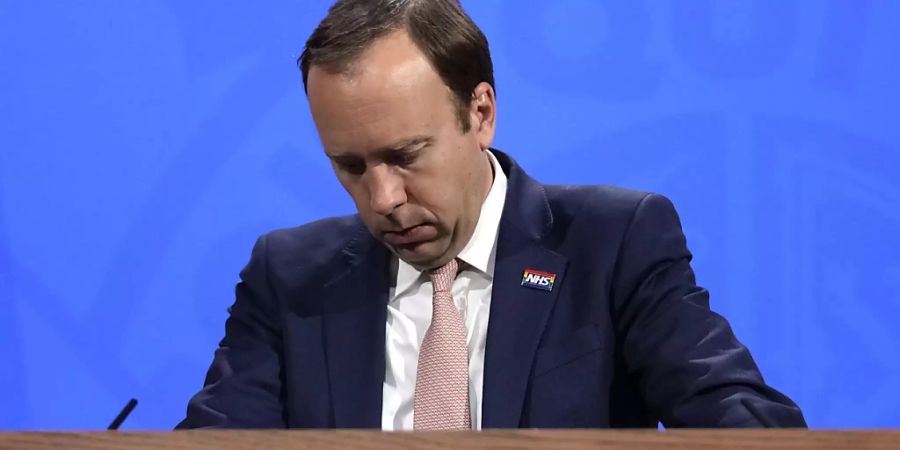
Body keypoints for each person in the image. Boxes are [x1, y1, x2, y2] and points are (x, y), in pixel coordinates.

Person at [178, 0, 806, 429]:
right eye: (350, 165)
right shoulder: (288, 277)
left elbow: (735, 414)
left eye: (406, 155)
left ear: (480, 113)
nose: (383, 198)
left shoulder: (613, 244)